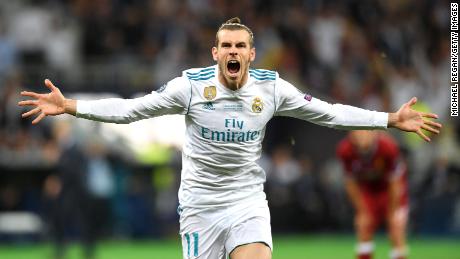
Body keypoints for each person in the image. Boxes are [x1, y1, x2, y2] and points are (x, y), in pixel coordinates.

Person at [18, 17, 441, 259]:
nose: (234, 51)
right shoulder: (189, 87)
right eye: (226, 45)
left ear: (251, 54)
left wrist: (388, 118)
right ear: (215, 52)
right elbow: (131, 109)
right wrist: (71, 106)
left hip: (246, 201)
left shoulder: (271, 88)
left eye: (241, 45)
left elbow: (329, 114)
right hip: (200, 207)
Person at [336, 130, 409, 259]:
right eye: (357, 132)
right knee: (363, 225)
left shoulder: (388, 146)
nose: (361, 136)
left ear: (374, 133)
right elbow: (350, 183)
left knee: (396, 229)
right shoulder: (345, 150)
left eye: (365, 131)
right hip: (368, 190)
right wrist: (362, 211)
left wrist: (392, 212)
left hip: (391, 191)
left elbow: (395, 182)